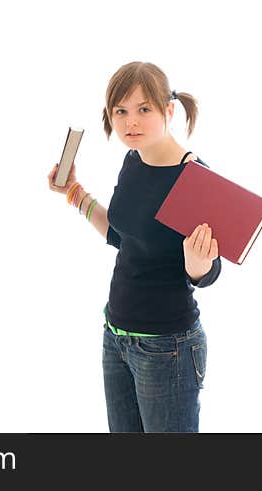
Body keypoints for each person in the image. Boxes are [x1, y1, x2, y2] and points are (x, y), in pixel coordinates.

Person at [47, 62, 221, 432]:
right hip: (116, 337)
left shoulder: (194, 178)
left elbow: (209, 272)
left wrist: (197, 264)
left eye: (144, 109)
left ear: (168, 110)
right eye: (121, 111)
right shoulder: (133, 160)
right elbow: (124, 238)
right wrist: (75, 194)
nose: (131, 122)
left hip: (167, 350)